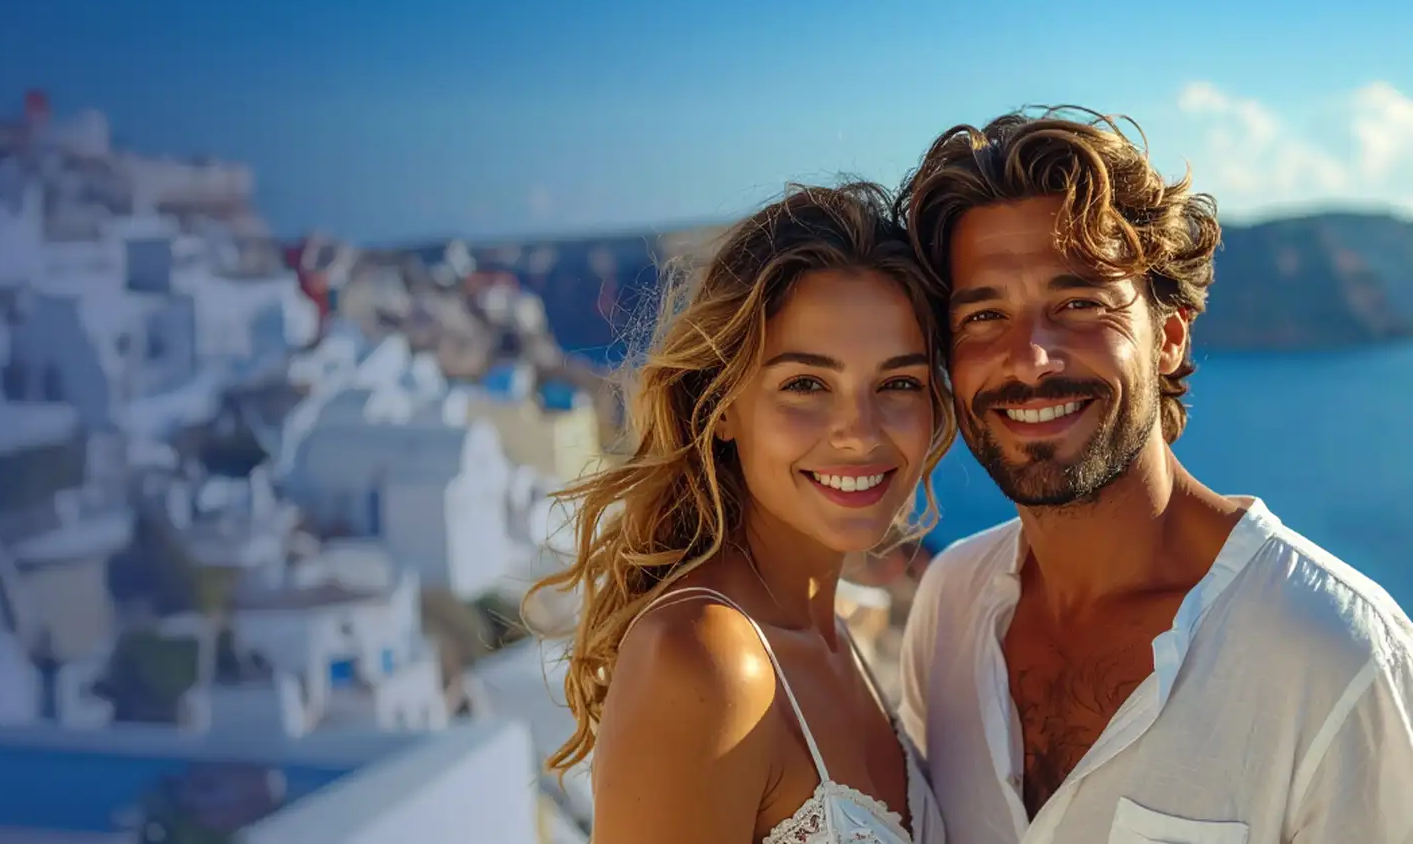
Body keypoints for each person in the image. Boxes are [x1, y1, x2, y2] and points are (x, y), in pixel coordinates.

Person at [894, 108, 1413, 843]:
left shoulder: (1336, 653)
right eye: (982, 317)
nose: (1030, 359)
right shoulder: (950, 607)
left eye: (1078, 304)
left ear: (1168, 336)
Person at [531, 181, 956, 844]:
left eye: (898, 382)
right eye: (806, 384)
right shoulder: (705, 660)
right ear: (723, 404)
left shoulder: (836, 637)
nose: (860, 431)